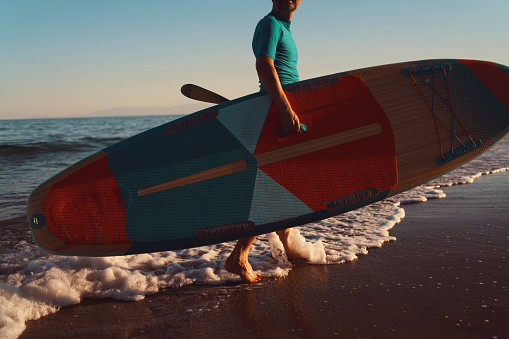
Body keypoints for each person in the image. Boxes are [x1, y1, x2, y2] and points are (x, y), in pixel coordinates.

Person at [224, 0, 303, 282]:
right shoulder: (269, 24)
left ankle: (286, 247)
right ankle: (239, 256)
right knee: (274, 187)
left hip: (281, 111)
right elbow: (264, 65)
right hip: (277, 112)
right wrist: (284, 109)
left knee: (282, 185)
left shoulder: (284, 28)